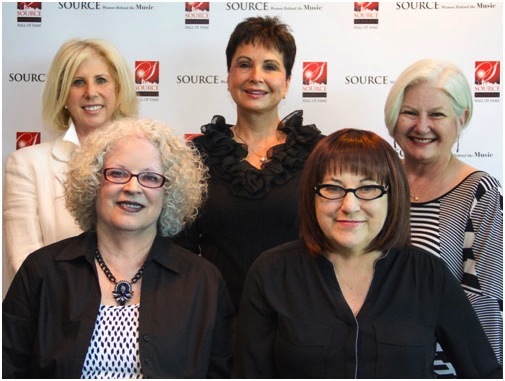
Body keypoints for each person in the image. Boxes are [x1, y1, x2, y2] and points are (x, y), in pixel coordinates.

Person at [233, 129, 502, 378]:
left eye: (368, 188)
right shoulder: (271, 273)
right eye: (333, 188)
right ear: (311, 196)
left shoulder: (429, 275)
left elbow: (485, 372)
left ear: (392, 196)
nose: (349, 206)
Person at [2, 118, 235, 378]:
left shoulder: (203, 282)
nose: (132, 187)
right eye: (118, 173)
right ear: (93, 183)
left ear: (169, 193)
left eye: (150, 177)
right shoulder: (42, 271)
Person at [175, 16, 323, 311]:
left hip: (302, 322)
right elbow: (181, 250)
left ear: (288, 82)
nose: (256, 76)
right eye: (244, 64)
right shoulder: (196, 155)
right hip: (219, 323)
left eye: (270, 66)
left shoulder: (318, 153)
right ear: (229, 76)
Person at [384, 59, 503, 376]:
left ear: (460, 119)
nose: (421, 126)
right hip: (373, 360)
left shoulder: (481, 191)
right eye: (410, 112)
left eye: (436, 114)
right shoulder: (377, 181)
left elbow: (487, 301)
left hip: (443, 368)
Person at [3, 38, 138, 275]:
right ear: (63, 94)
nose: (91, 92)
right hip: (56, 307)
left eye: (101, 80)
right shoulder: (26, 165)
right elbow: (24, 266)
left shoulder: (147, 162)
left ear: (118, 89)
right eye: (78, 82)